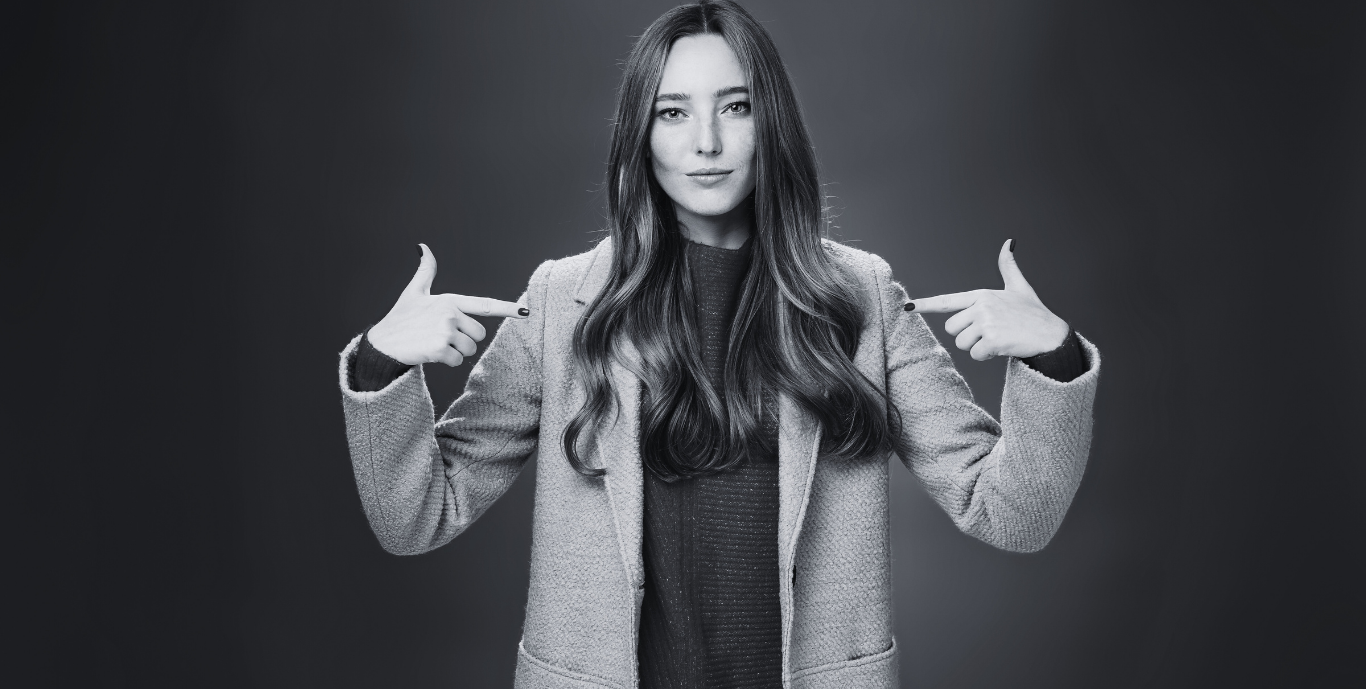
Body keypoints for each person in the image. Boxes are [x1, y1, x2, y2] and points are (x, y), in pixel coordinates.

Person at [337, 1, 1099, 687]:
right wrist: (381, 364)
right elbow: (417, 518)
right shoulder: (563, 303)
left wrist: (1051, 357)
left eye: (734, 107)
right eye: (672, 113)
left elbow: (1011, 513)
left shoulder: (860, 297)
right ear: (641, 136)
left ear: (771, 123)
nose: (706, 142)